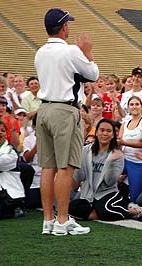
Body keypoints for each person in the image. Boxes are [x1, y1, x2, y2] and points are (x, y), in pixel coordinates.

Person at [35, 8, 99, 235]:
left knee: (47, 167)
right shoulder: (71, 51)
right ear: (63, 27)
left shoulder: (40, 52)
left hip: (44, 109)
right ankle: (62, 220)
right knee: (65, 167)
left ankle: (48, 220)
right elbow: (93, 74)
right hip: (64, 110)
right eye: (67, 24)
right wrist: (87, 52)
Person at [69, 119, 135, 221]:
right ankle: (95, 213)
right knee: (71, 207)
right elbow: (79, 177)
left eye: (108, 131)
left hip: (106, 193)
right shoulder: (86, 150)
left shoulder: (117, 155)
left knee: (106, 210)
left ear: (113, 135)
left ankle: (129, 211)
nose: (104, 133)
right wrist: (77, 160)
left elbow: (110, 182)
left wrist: (110, 162)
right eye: (102, 130)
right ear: (96, 132)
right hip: (88, 194)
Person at [117, 96, 142, 202]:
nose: (134, 107)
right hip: (124, 160)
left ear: (141, 106)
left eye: (137, 104)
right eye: (131, 104)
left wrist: (123, 142)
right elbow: (119, 143)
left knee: (135, 197)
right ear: (128, 107)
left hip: (138, 162)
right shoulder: (124, 123)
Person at [0, 121, 25, 220]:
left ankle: (14, 211)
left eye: (2, 130)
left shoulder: (11, 151)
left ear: (7, 134)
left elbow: (0, 162)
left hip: (8, 195)